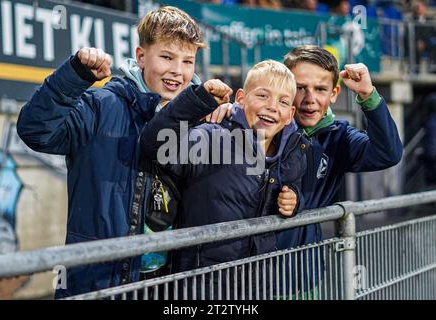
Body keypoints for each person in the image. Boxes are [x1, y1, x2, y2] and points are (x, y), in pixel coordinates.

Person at [16, 6, 212, 298]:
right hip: (98, 283)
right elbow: (35, 130)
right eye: (167, 57)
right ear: (141, 56)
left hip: (170, 286)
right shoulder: (101, 105)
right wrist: (73, 77)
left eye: (187, 61)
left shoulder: (202, 119)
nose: (178, 71)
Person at [140, 60, 308, 299]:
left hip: (259, 285)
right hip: (202, 285)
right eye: (263, 95)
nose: (272, 107)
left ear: (290, 114)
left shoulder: (294, 152)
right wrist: (197, 101)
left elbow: (294, 193)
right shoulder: (211, 136)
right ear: (241, 98)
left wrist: (295, 201)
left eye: (283, 102)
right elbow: (155, 146)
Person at [276, 45, 403, 298]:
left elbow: (388, 154)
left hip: (306, 275)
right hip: (251, 273)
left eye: (320, 89)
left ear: (334, 93)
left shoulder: (339, 137)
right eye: (300, 88)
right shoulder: (263, 127)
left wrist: (368, 95)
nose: (309, 98)